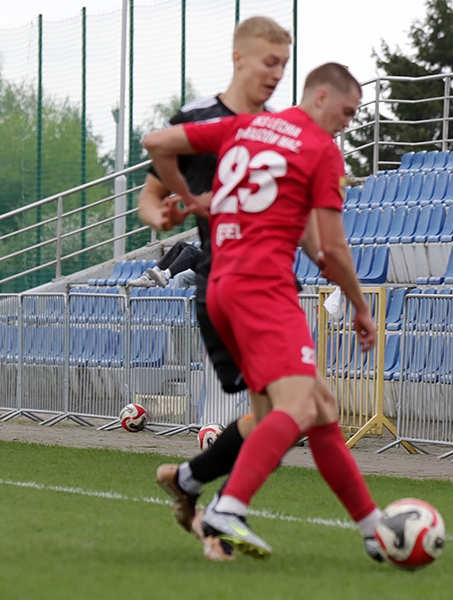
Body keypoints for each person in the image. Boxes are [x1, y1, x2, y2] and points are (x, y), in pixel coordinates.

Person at [143, 62, 383, 561]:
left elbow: (156, 143)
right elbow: (331, 250)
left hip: (220, 287)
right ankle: (228, 509)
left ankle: (373, 528)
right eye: (346, 111)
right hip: (264, 287)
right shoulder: (320, 149)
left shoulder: (246, 126)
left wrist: (190, 200)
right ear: (320, 96)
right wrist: (360, 306)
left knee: (319, 410)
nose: (347, 123)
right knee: (294, 409)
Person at [138, 16, 296, 561]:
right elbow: (153, 190)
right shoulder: (199, 121)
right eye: (268, 62)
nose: (277, 74)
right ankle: (217, 517)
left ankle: (187, 482)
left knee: (278, 423)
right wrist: (160, 211)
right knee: (287, 414)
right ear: (239, 58)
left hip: (269, 285)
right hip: (226, 283)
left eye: (284, 65)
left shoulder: (276, 129)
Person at [128, 240, 203, 288]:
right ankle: (149, 278)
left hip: (212, 268)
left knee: (190, 251)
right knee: (180, 245)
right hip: (209, 263)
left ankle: (164, 276)